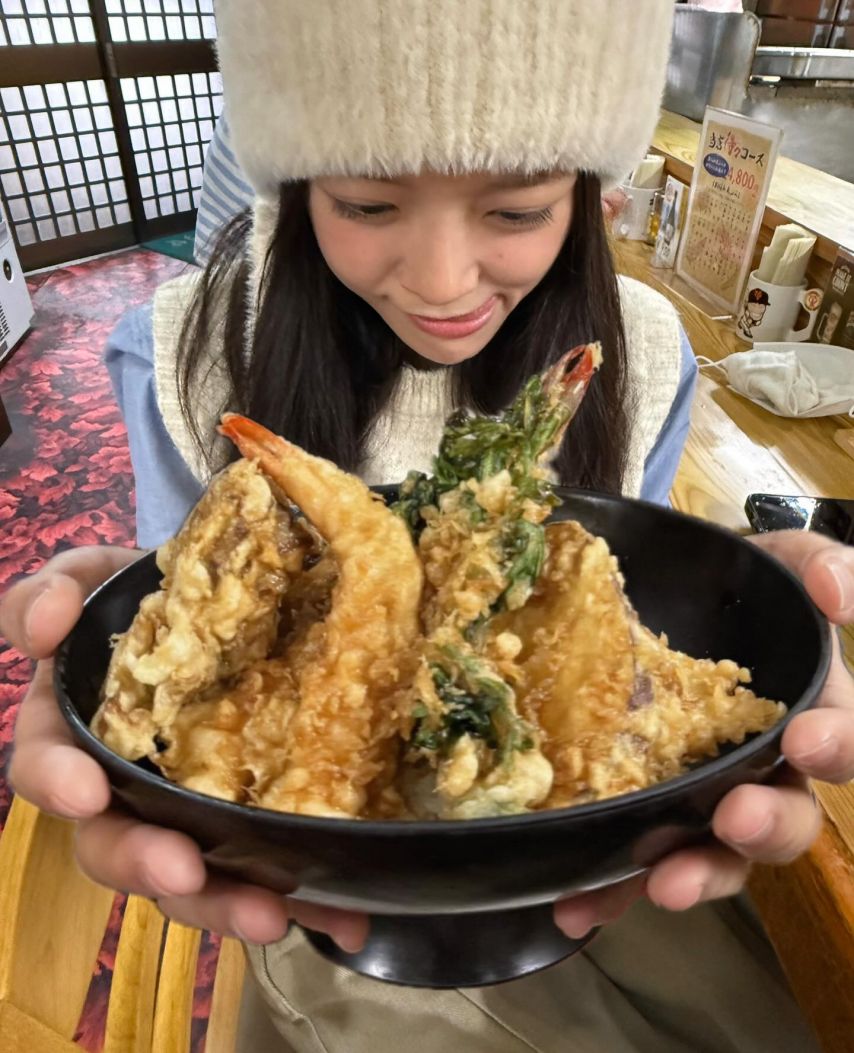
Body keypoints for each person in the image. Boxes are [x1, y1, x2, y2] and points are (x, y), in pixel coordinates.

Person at [2, 2, 853, 1051]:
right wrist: (124, 632)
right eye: (366, 201)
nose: (444, 281)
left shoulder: (644, 350)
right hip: (320, 905)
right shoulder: (181, 353)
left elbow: (627, 579)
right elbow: (181, 612)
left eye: (517, 208)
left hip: (618, 863)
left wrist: (747, 601)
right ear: (293, 184)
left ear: (589, 196)